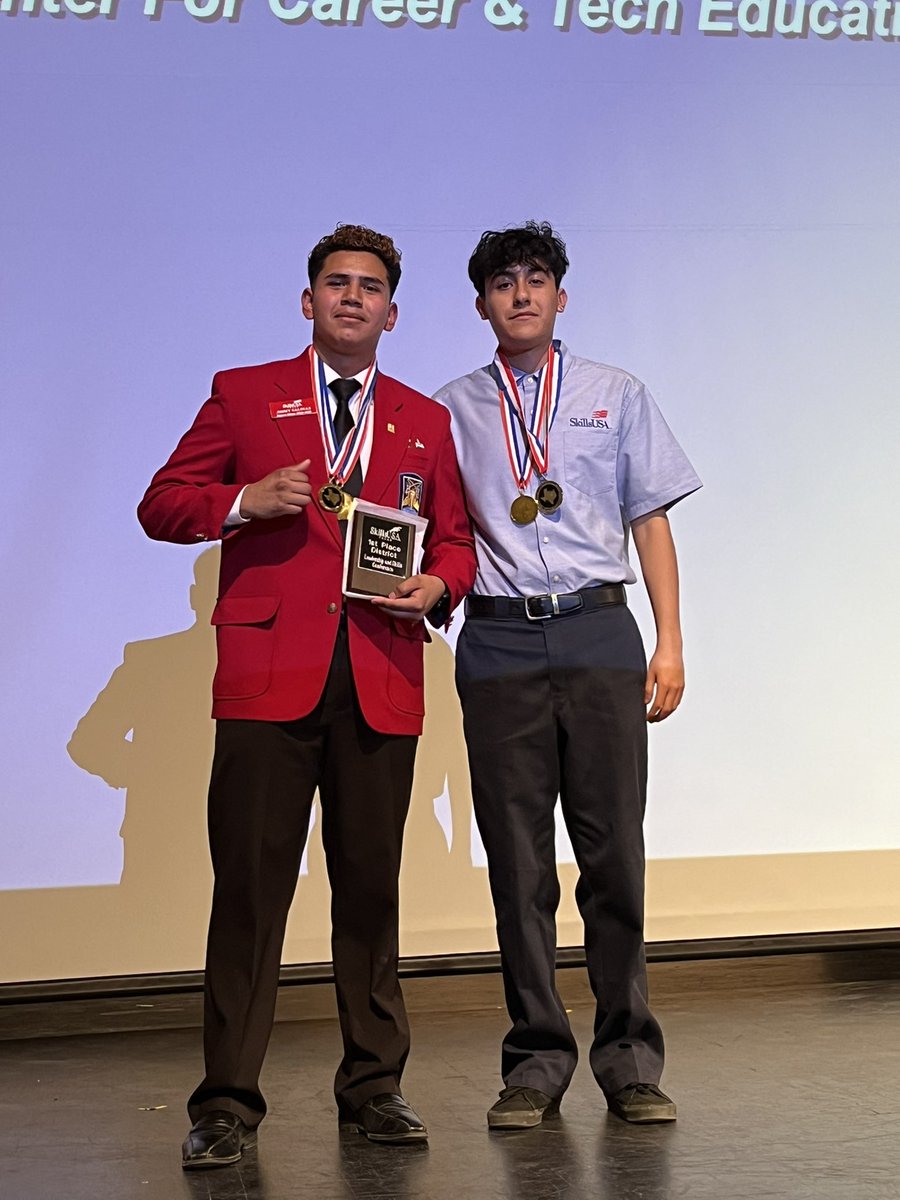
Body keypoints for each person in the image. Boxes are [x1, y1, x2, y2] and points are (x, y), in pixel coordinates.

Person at [138, 224, 476, 1167]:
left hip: (379, 678)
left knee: (370, 893)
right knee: (249, 895)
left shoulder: (422, 419)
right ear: (309, 301)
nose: (353, 298)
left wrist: (438, 588)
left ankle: (375, 1086)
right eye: (337, 283)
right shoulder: (243, 395)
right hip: (265, 685)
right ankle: (227, 1105)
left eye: (370, 287)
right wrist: (246, 500)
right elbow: (163, 502)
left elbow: (455, 542)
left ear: (393, 313)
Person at [434, 222, 701, 1129]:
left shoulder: (614, 394)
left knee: (613, 855)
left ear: (560, 295)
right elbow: (438, 532)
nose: (521, 294)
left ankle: (629, 1058)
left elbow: (650, 522)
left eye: (536, 279)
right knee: (517, 864)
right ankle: (536, 1061)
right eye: (503, 282)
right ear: (481, 304)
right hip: (499, 643)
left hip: (598, 631)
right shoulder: (449, 409)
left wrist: (668, 641)